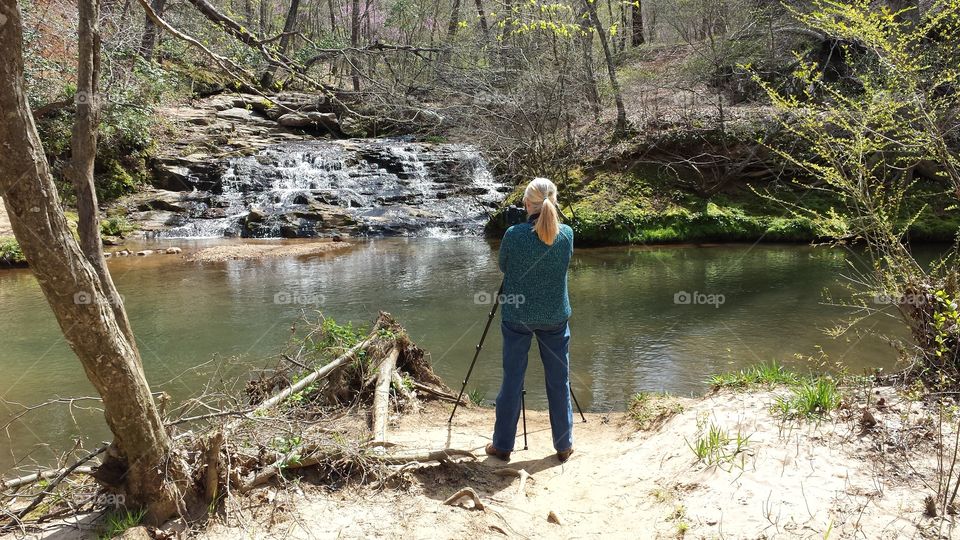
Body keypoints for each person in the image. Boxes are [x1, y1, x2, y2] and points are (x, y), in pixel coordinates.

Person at [486, 177, 575, 463]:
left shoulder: (513, 234)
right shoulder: (567, 234)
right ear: (555, 202)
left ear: (527, 203)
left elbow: (503, 266)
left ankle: (502, 446)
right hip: (554, 316)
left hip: (517, 316)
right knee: (558, 380)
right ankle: (563, 445)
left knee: (512, 378)